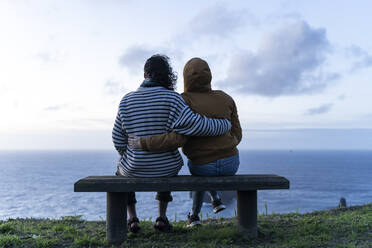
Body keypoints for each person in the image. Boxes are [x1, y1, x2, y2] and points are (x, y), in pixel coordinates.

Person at [112, 55, 232, 232]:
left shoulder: (126, 100)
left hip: (134, 167)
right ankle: (161, 217)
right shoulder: (173, 99)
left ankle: (133, 219)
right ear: (167, 75)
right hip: (166, 167)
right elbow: (198, 125)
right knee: (166, 162)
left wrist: (129, 155)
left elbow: (118, 138)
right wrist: (224, 124)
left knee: (120, 171)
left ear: (145, 75)